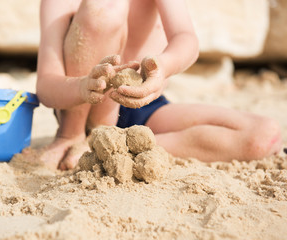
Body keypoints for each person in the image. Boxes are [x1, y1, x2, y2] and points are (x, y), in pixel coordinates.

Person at [31, 0, 282, 170]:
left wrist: (163, 66)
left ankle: (118, 147)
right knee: (106, 6)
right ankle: (74, 137)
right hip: (79, 110)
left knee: (264, 135)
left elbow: (186, 38)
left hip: (142, 106)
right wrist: (82, 87)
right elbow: (47, 84)